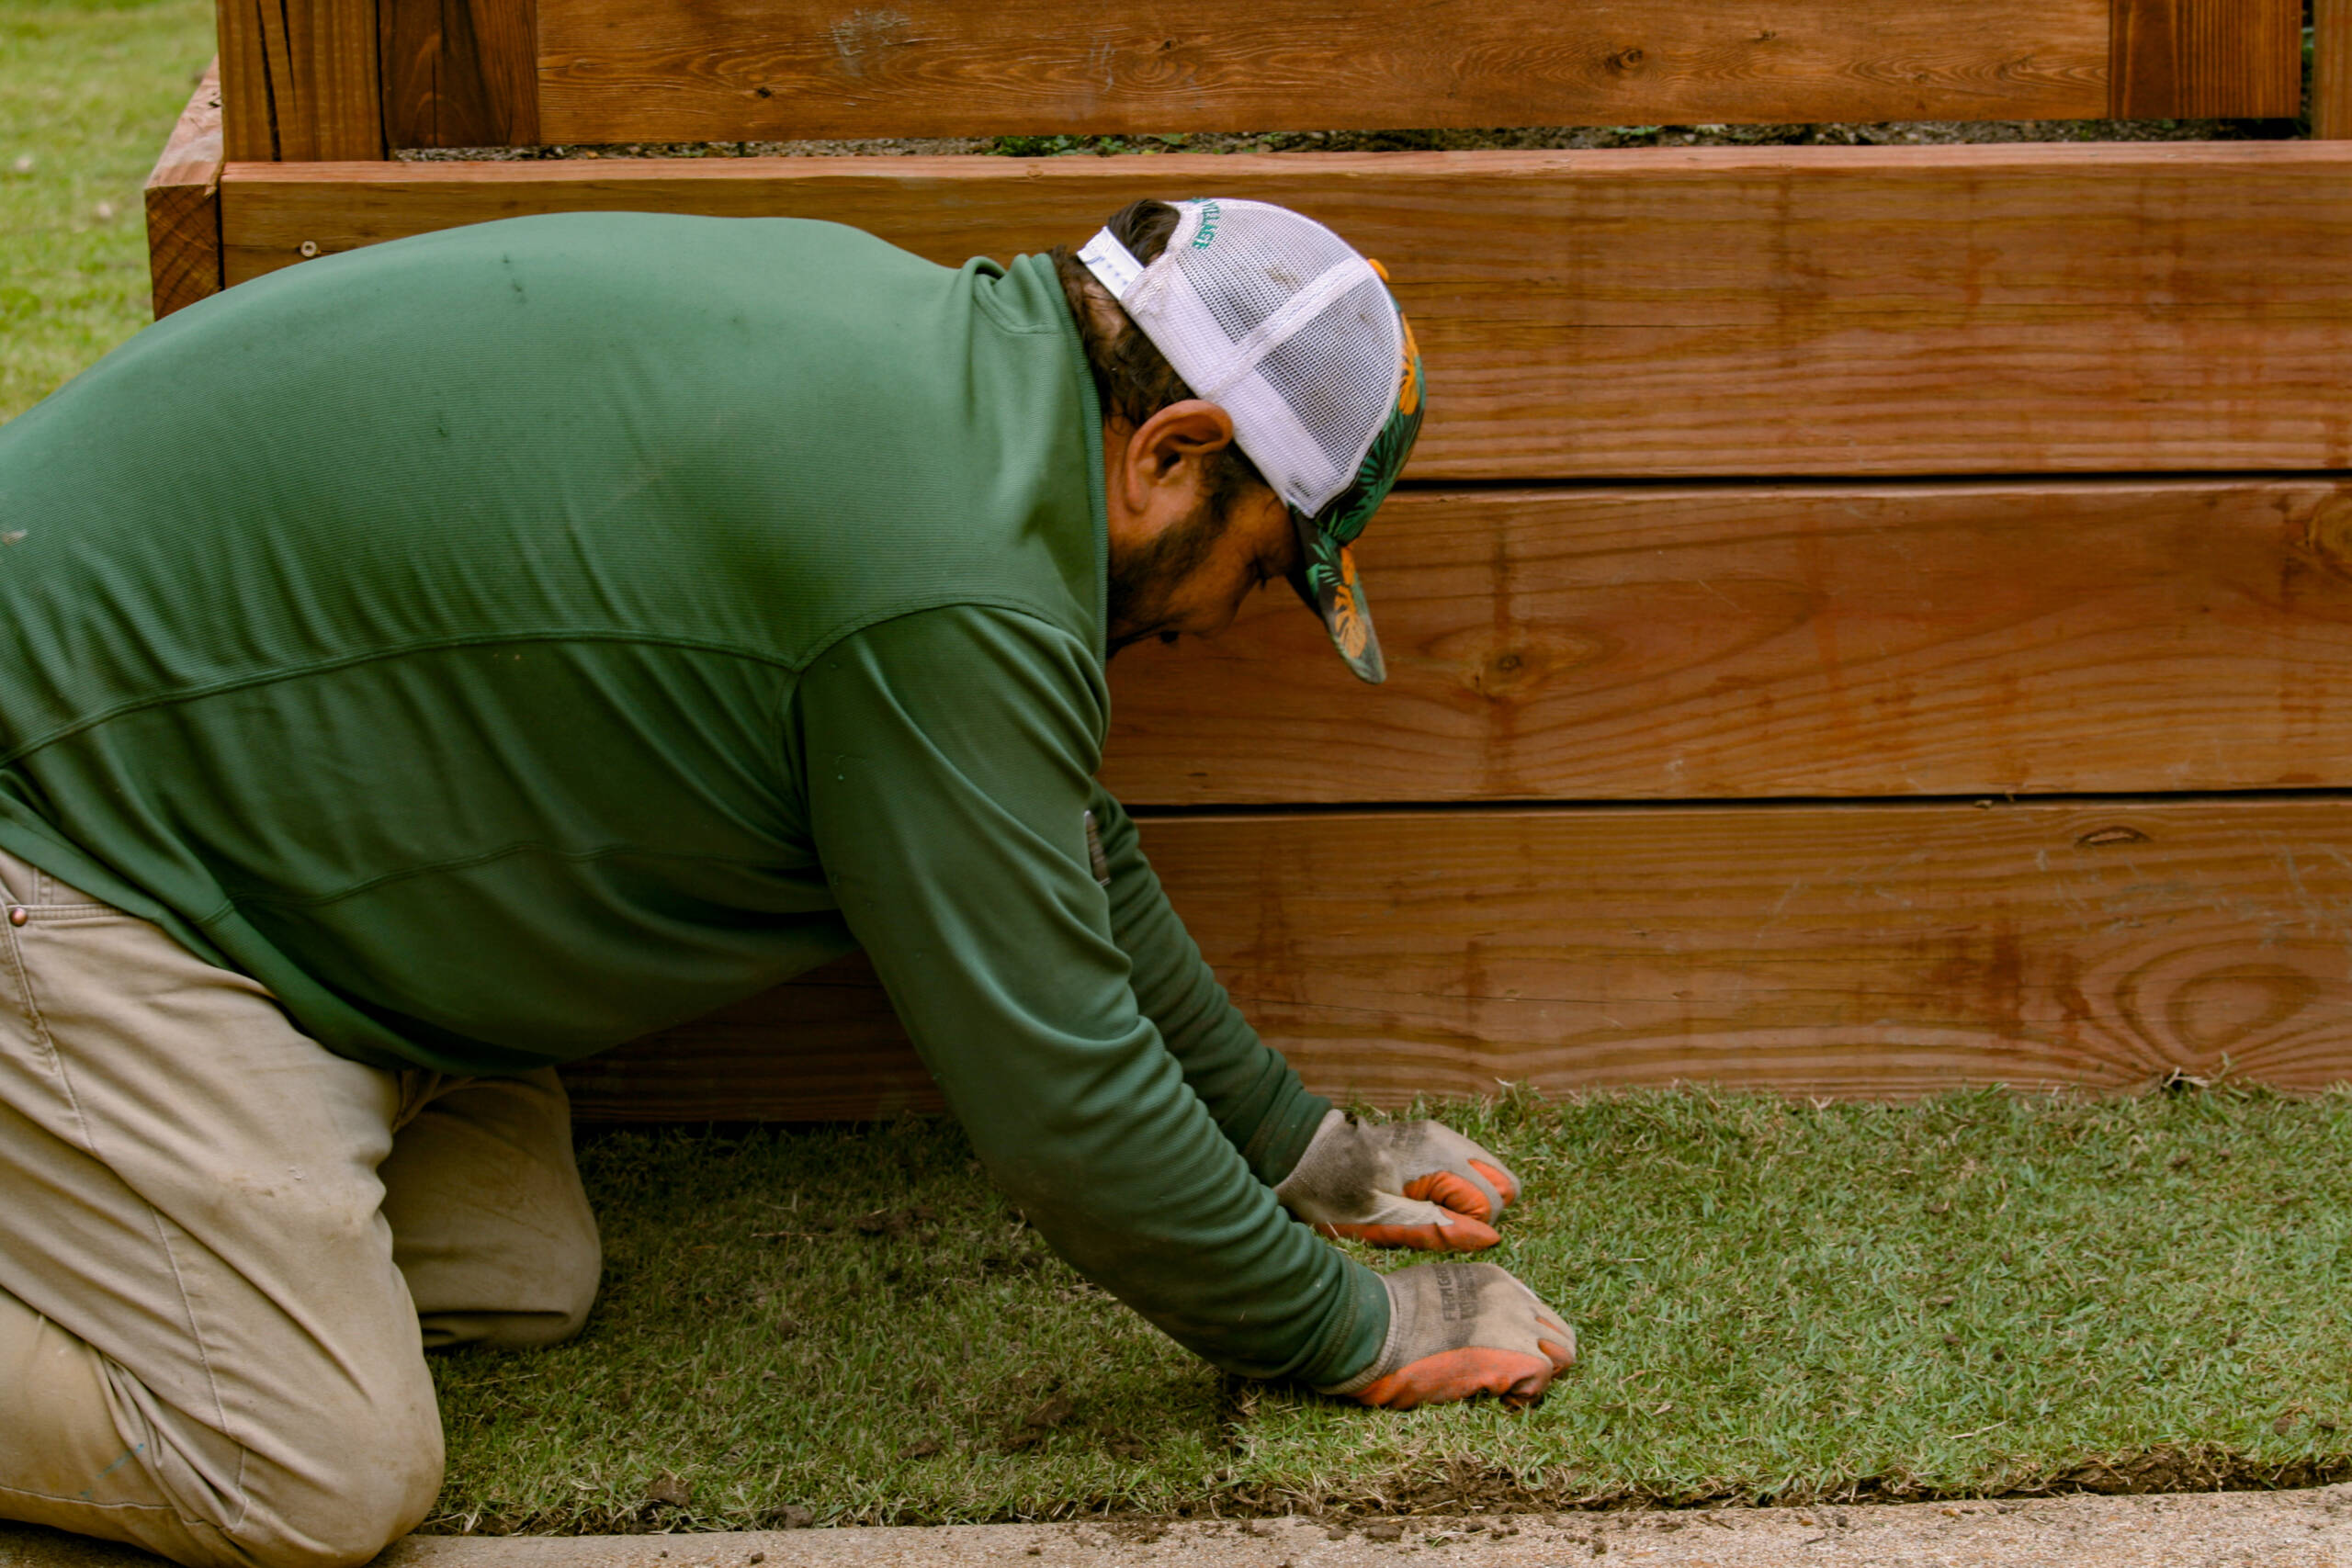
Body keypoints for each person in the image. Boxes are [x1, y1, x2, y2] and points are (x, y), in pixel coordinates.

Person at [0, 195, 1576, 1568]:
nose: (1223, 619)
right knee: (318, 1465)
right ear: (1175, 451)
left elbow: (1064, 848)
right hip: (73, 833)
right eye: (1266, 565)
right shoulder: (944, 562)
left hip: (276, 897)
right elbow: (1063, 1103)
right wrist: (1346, 1329)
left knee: (519, 1269)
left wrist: (1298, 1146)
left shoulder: (958, 398)